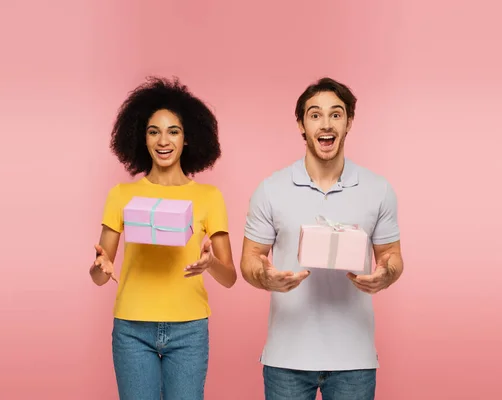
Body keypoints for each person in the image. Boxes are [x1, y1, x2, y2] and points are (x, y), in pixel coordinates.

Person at [240, 77, 404, 400]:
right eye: (315, 115)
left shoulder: (378, 189)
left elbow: (393, 257)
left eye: (336, 114)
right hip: (286, 358)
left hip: (354, 360)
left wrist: (384, 275)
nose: (325, 123)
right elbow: (249, 259)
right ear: (301, 125)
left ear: (349, 122)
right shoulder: (271, 189)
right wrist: (266, 277)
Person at [89, 76, 237, 400]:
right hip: (132, 328)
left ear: (188, 139)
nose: (163, 140)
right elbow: (101, 274)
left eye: (173, 131)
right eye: (153, 131)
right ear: (142, 138)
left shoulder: (210, 197)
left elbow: (229, 278)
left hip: (189, 330)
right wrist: (100, 266)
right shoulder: (121, 195)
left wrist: (211, 263)